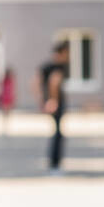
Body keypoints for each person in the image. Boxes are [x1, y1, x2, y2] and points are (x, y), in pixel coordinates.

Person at [40, 42, 69, 175]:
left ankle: (53, 163)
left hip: (50, 103)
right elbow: (54, 82)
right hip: (56, 104)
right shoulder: (58, 67)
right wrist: (53, 100)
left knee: (56, 133)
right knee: (58, 134)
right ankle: (55, 164)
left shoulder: (46, 66)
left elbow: (35, 83)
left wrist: (42, 101)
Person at [0, 68, 15, 135]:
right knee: (5, 113)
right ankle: (5, 127)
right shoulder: (4, 81)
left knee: (6, 114)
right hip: (5, 99)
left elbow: (12, 90)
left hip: (7, 99)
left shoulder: (10, 81)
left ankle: (6, 126)